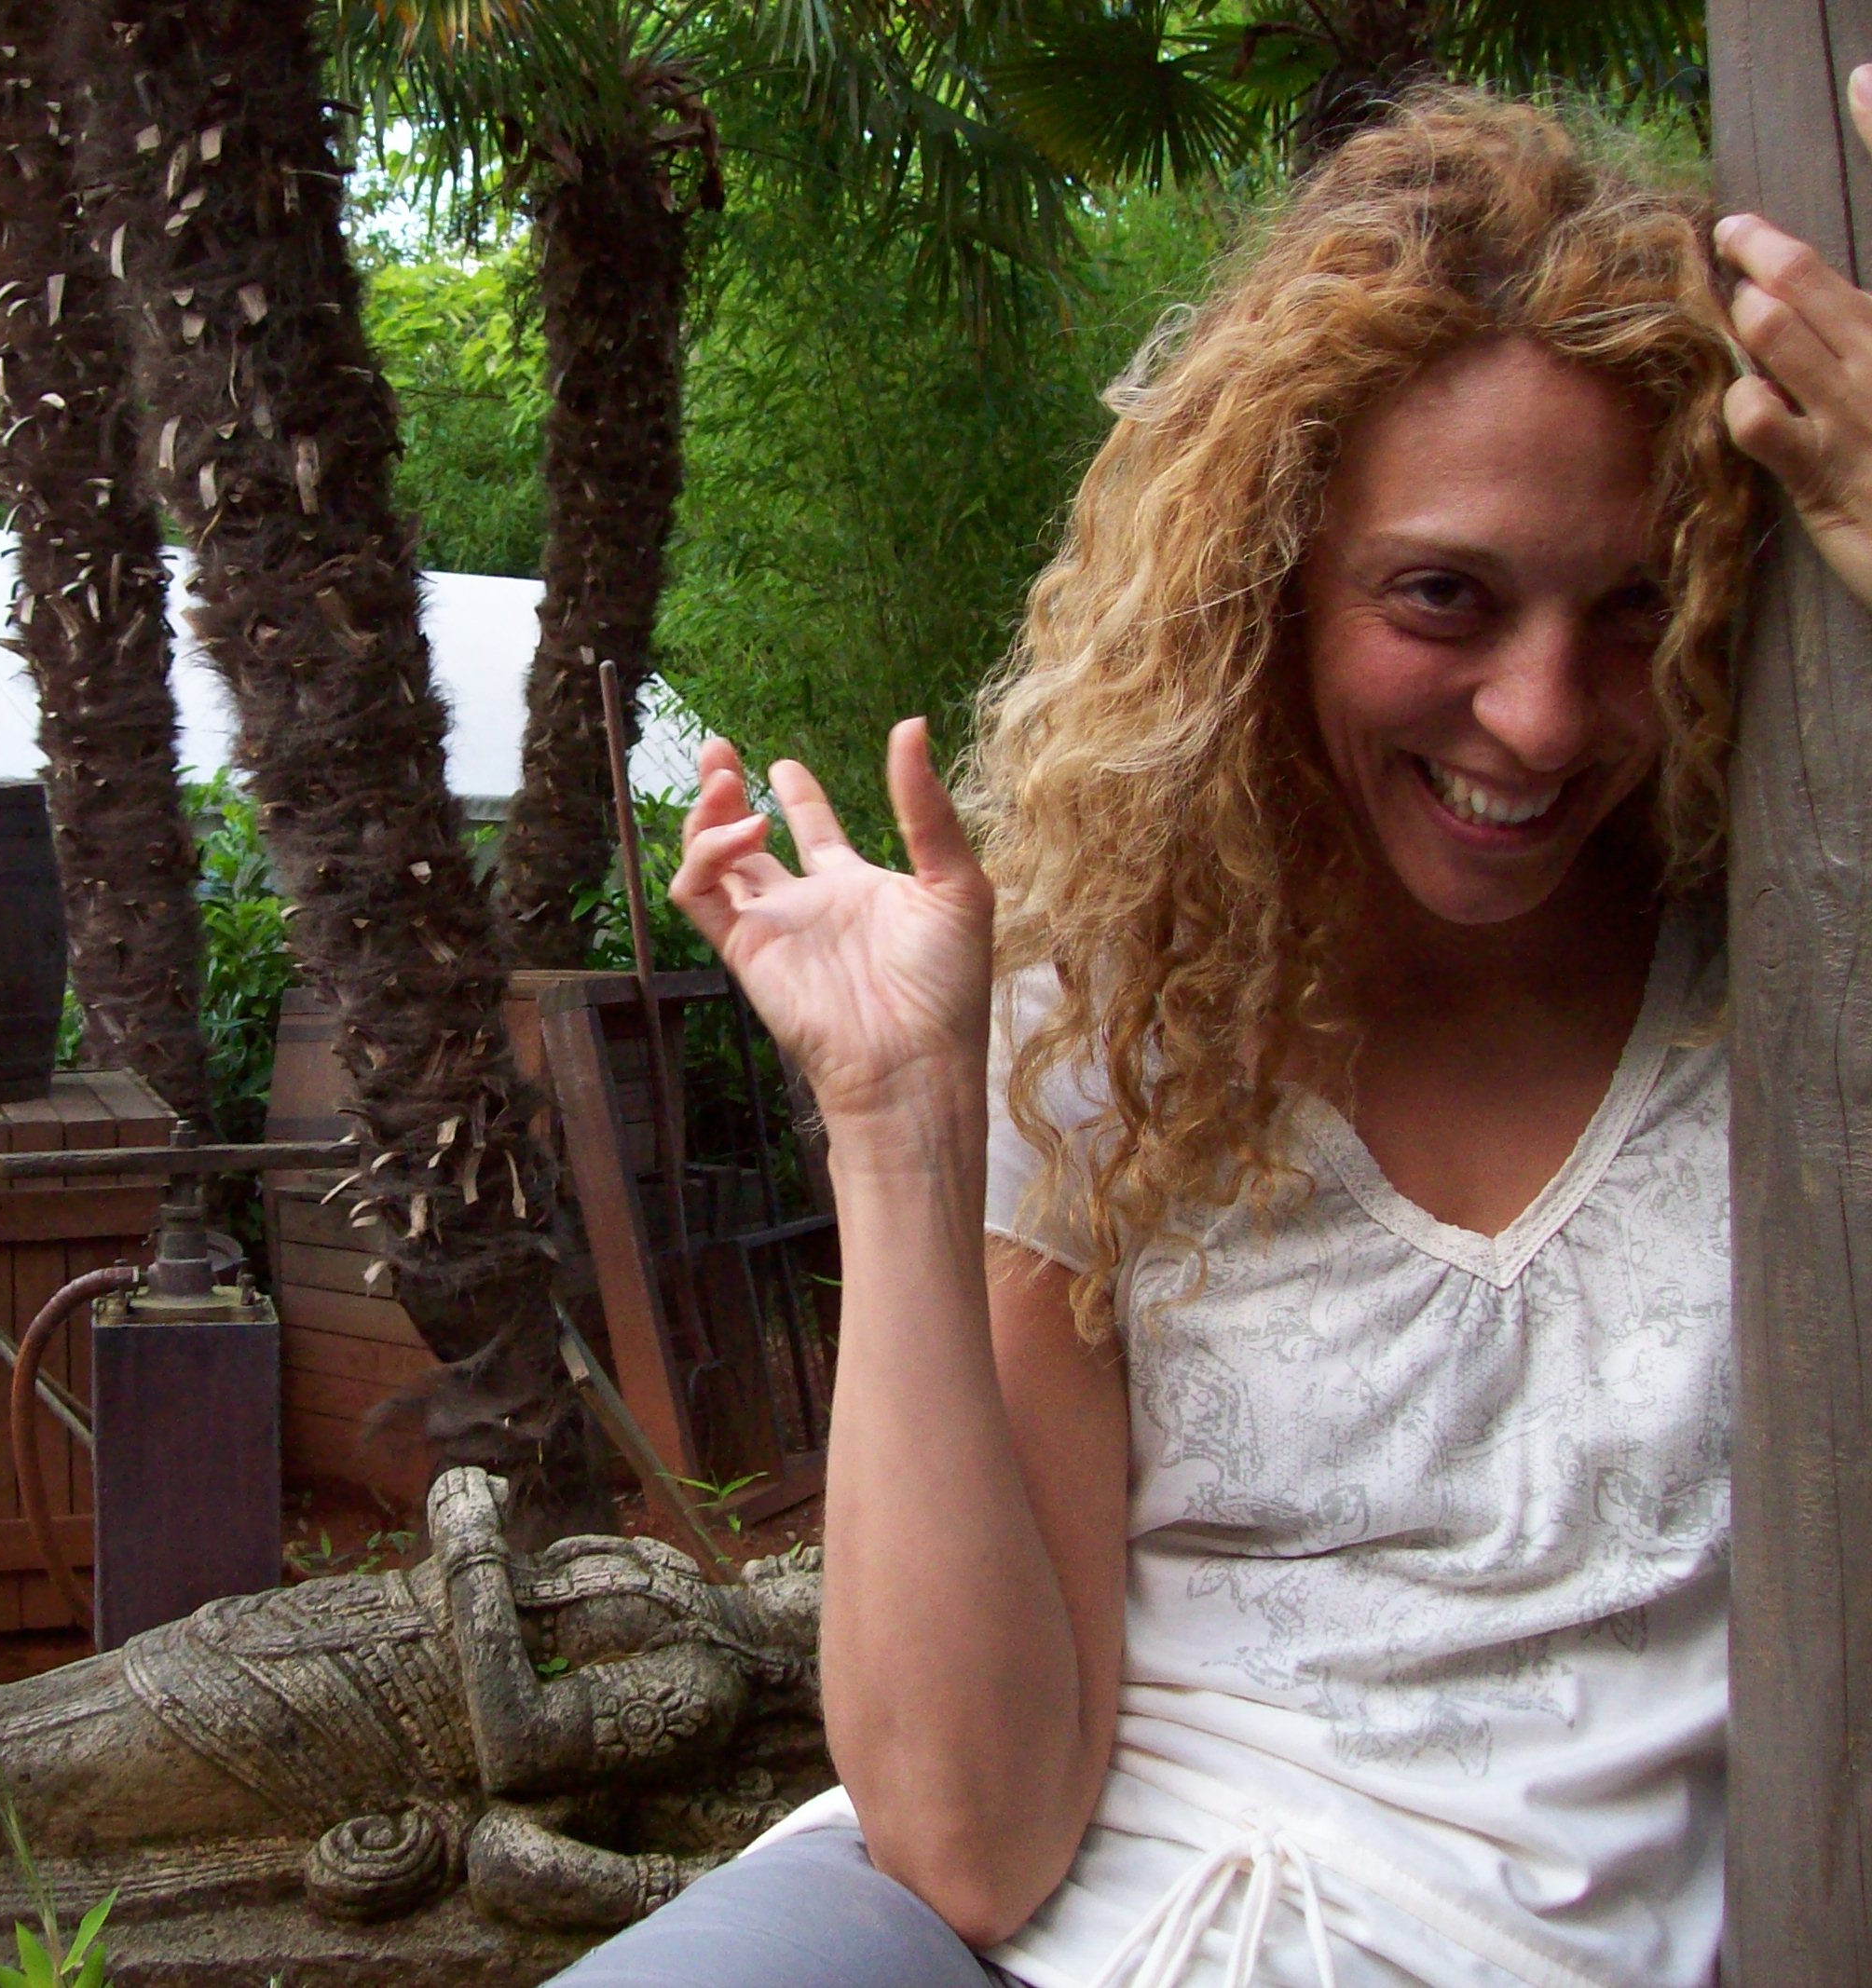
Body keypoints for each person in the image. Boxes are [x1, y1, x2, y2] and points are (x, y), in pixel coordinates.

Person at [552, 80, 1872, 1988]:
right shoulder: (1109, 1012)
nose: (1539, 715)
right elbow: (968, 1840)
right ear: (1267, 584)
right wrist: (897, 1123)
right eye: (1443, 595)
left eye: (1631, 611)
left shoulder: (1795, 979)